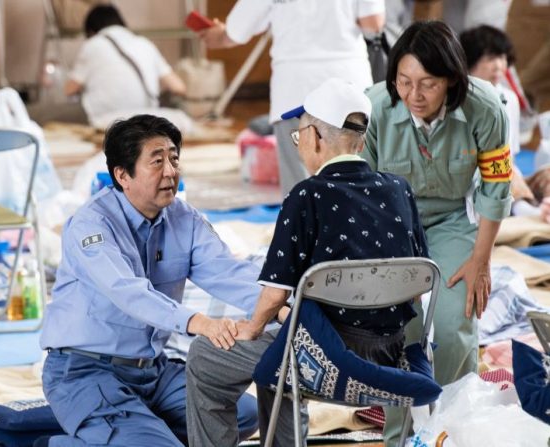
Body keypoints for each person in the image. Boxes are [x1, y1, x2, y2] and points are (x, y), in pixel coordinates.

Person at [186, 78, 429, 447]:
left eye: (299, 136)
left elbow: (273, 295)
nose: (300, 146)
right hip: (392, 356)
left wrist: (251, 328)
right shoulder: (399, 189)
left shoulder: (306, 196)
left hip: (327, 366)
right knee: (281, 345)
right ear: (361, 140)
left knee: (206, 354)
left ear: (315, 137)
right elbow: (418, 282)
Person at [37, 114, 258, 446]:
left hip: (154, 371)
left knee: (244, 413)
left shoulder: (184, 218)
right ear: (123, 175)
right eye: (157, 162)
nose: (170, 171)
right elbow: (126, 290)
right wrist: (200, 323)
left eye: (174, 158)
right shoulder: (90, 225)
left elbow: (227, 271)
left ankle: (133, 432)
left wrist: (282, 303)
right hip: (86, 372)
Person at [360, 21, 512, 446]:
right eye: (404, 82)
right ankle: (398, 436)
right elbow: (363, 196)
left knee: (453, 321)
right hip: (391, 227)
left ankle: (455, 427)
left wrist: (480, 261)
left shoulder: (486, 107)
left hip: (451, 222)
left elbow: (496, 189)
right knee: (395, 331)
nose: (415, 96)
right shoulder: (373, 108)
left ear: (452, 79)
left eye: (428, 84)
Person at [200, 0, 385, 196]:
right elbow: (373, 23)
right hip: (349, 84)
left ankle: (307, 226)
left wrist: (216, 34)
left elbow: (234, 32)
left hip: (294, 87)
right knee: (357, 175)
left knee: (300, 190)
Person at [63, 5, 186, 126]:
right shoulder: (145, 43)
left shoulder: (92, 44)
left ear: (90, 30)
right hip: (146, 122)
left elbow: (69, 90)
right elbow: (178, 87)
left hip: (106, 122)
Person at [460, 24, 536, 210]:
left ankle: (528, 208)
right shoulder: (458, 99)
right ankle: (526, 213)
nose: (499, 66)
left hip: (504, 173)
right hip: (469, 176)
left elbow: (512, 154)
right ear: (470, 61)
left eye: (502, 58)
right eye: (490, 58)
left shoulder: (509, 98)